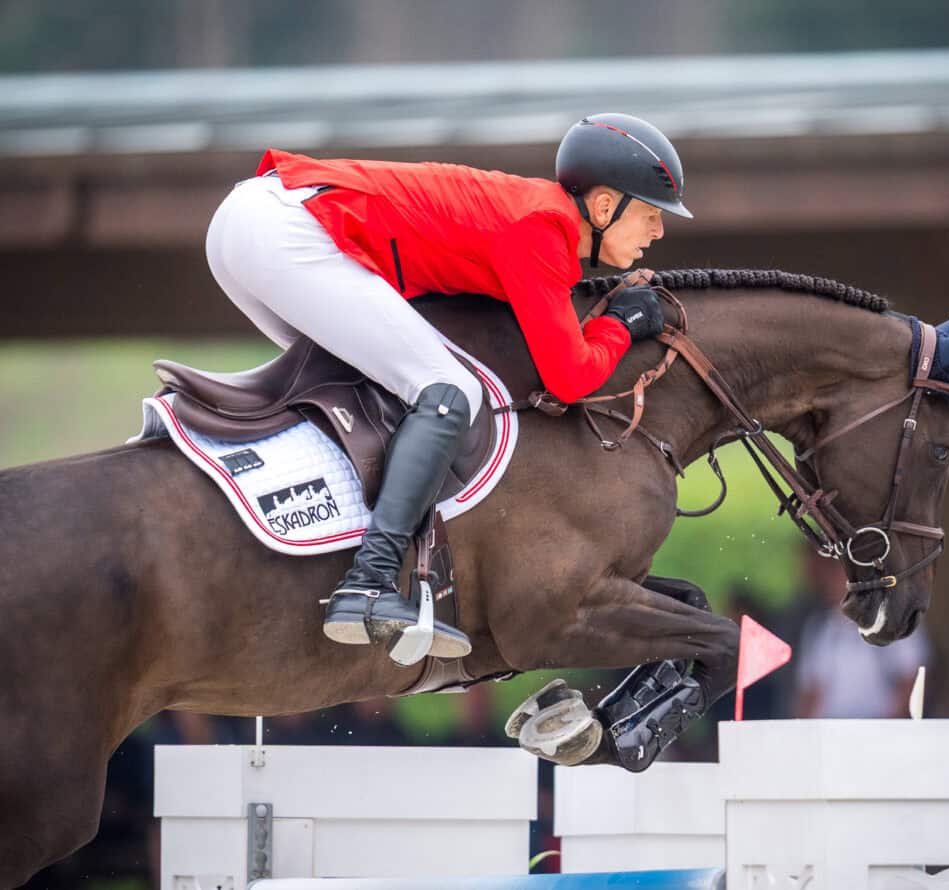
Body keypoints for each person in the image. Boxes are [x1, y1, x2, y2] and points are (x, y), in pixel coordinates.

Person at [204, 114, 691, 662]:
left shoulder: (533, 217)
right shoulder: (544, 231)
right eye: (651, 214)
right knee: (448, 390)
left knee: (378, 388)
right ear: (604, 207)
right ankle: (369, 582)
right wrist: (621, 324)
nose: (659, 231)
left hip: (248, 225)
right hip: (285, 231)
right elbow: (571, 378)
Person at [795, 553, 928, 718]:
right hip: (830, 732)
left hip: (878, 729)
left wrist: (888, 728)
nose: (835, 580)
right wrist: (805, 731)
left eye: (843, 574)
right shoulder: (819, 628)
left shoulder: (894, 621)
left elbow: (911, 681)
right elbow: (811, 691)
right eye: (833, 573)